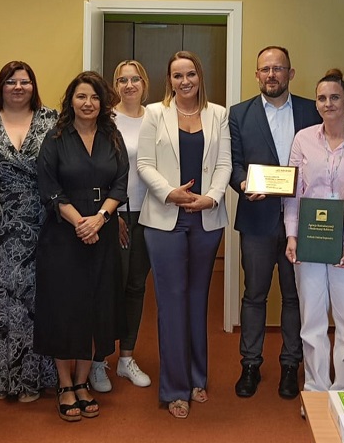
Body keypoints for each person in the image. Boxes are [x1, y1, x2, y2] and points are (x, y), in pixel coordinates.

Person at [138, 51, 232, 419]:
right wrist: (169, 193)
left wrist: (212, 197)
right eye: (177, 75)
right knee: (171, 302)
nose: (185, 81)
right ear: (170, 80)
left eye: (190, 73)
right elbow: (144, 164)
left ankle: (197, 377)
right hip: (165, 219)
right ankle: (175, 388)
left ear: (199, 76)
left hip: (206, 218)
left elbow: (224, 164)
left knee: (197, 299)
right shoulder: (154, 113)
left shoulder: (218, 114)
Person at [34, 72, 128, 421]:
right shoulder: (56, 138)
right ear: (70, 101)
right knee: (64, 308)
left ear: (102, 103)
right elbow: (49, 187)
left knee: (95, 306)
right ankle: (64, 384)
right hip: (64, 234)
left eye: (94, 97)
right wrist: (80, 223)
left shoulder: (112, 136)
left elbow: (121, 184)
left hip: (102, 232)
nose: (88, 103)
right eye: (81, 96)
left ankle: (83, 380)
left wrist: (99, 219)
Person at [228, 46, 320, 400]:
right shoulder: (239, 114)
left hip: (303, 220)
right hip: (257, 218)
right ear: (257, 75)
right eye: (265, 69)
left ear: (290, 73)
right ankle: (250, 364)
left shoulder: (312, 110)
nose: (271, 75)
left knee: (295, 296)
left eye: (278, 68)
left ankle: (290, 364)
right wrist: (243, 185)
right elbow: (234, 164)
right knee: (254, 295)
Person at [0, 61, 58, 401]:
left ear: (34, 86)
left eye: (24, 81)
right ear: (0, 86)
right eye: (11, 82)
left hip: (42, 221)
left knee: (34, 299)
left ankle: (30, 378)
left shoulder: (53, 121)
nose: (18, 87)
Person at [283, 71, 344, 392]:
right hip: (310, 240)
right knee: (312, 319)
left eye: (335, 97)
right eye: (322, 98)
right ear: (316, 104)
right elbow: (294, 192)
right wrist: (292, 235)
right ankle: (316, 388)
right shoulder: (303, 139)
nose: (328, 103)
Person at [89, 60, 153, 392]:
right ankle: (98, 359)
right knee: (109, 287)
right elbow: (99, 170)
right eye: (122, 80)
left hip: (151, 214)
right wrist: (111, 216)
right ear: (115, 86)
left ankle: (126, 357)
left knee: (136, 287)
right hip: (116, 215)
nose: (129, 85)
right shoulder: (106, 120)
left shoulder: (156, 117)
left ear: (145, 83)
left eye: (135, 79)